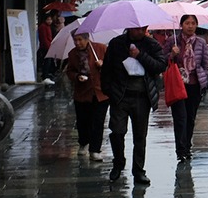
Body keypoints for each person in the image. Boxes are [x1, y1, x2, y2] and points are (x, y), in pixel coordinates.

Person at [100, 26, 167, 186]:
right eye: (137, 29)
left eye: (143, 28)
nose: (140, 31)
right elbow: (107, 69)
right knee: (117, 131)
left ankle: (138, 171)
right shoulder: (116, 44)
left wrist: (140, 55)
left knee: (140, 136)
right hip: (120, 95)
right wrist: (108, 90)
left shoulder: (152, 45)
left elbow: (160, 66)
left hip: (142, 96)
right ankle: (118, 161)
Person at [163, 15, 208, 161]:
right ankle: (180, 149)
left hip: (194, 85)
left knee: (190, 118)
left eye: (193, 23)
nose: (190, 26)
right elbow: (162, 59)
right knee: (180, 118)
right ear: (181, 25)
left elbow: (206, 63)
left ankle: (187, 147)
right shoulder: (173, 41)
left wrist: (204, 77)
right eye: (187, 23)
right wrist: (172, 54)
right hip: (178, 84)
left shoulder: (201, 42)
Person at [66, 32, 109, 161]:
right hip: (82, 93)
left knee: (98, 121)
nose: (77, 43)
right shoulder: (72, 54)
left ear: (87, 39)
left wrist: (103, 65)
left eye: (80, 40)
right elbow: (69, 71)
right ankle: (84, 142)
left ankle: (95, 150)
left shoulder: (100, 49)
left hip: (100, 92)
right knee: (83, 121)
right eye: (75, 40)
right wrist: (76, 77)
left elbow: (113, 66)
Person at [37, 13, 55, 81]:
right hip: (46, 47)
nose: (49, 21)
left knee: (48, 62)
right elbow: (44, 39)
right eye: (48, 19)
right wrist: (49, 47)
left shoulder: (48, 26)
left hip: (48, 46)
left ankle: (45, 74)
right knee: (47, 62)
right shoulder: (43, 27)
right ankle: (45, 75)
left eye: (50, 19)